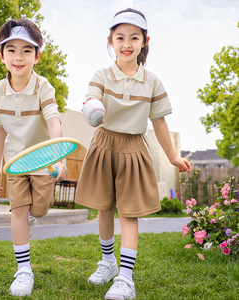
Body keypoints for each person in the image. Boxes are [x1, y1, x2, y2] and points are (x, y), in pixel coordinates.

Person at [75, 8, 191, 300]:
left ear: (144, 41)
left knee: (129, 214)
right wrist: (91, 107)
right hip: (103, 144)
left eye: (134, 37)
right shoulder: (101, 74)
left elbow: (159, 122)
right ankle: (108, 263)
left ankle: (126, 278)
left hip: (134, 149)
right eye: (120, 37)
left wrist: (173, 157)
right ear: (111, 40)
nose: (127, 43)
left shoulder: (152, 82)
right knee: (103, 208)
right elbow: (91, 99)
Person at [0, 18, 67, 297]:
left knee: (39, 209)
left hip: (43, 160)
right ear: (1, 54)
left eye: (27, 50)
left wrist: (59, 157)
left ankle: (34, 216)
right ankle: (23, 270)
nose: (18, 57)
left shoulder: (43, 86)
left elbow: (54, 121)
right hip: (16, 162)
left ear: (37, 56)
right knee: (18, 210)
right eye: (12, 50)